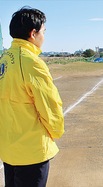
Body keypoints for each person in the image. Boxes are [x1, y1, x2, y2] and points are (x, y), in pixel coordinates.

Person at [0, 7, 64, 187]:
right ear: (33, 33)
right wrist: (56, 131)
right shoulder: (32, 63)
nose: (44, 36)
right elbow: (50, 105)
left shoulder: (4, 59)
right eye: (43, 31)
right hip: (31, 151)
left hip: (8, 149)